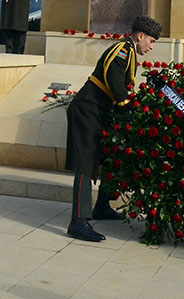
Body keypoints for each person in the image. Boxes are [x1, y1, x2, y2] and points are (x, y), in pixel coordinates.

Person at [65, 14, 162, 242]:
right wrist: (126, 105)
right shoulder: (122, 50)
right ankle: (78, 221)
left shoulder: (128, 51)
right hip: (88, 109)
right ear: (140, 36)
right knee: (85, 164)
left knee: (109, 157)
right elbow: (114, 79)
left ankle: (101, 206)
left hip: (99, 110)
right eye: (152, 40)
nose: (152, 46)